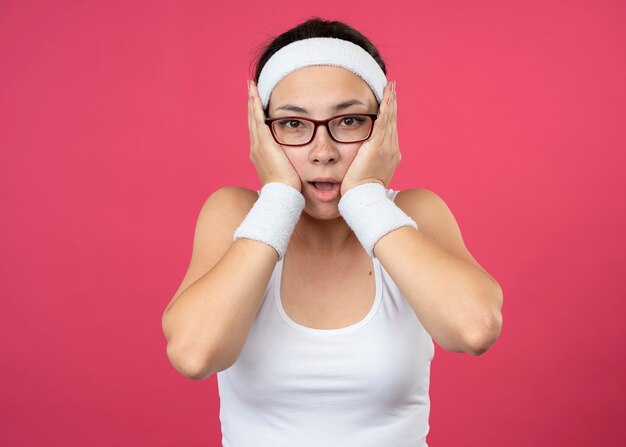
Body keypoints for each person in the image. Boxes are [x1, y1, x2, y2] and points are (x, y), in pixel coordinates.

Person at [162, 17, 503, 447]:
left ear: (382, 125)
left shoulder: (413, 213)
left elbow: (474, 329)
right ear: (261, 132)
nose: (323, 152)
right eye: (292, 124)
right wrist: (279, 197)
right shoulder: (237, 214)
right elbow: (195, 355)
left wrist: (364, 198)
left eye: (349, 121)